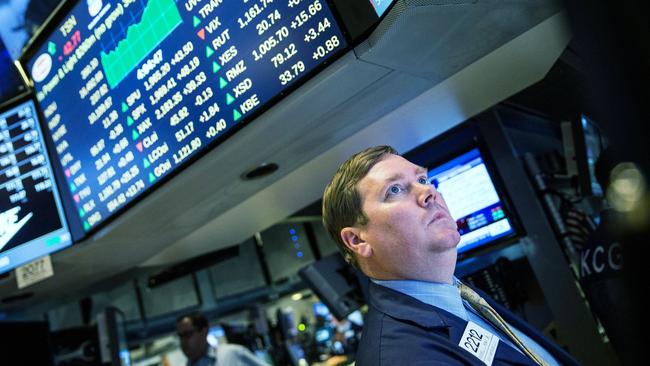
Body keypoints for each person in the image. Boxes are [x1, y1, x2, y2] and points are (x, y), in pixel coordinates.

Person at [322, 145, 580, 366]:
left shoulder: (454, 293)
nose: (428, 192)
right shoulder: (399, 358)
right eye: (395, 190)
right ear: (357, 240)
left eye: (422, 179)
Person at [176, 312, 269, 366]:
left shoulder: (231, 354)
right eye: (180, 336)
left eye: (188, 334)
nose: (183, 341)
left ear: (204, 331)